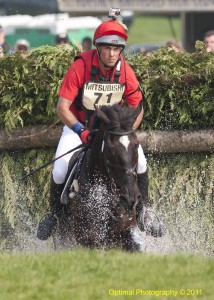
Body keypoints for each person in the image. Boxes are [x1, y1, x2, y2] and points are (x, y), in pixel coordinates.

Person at [37, 17, 163, 240]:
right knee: (59, 169)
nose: (112, 54)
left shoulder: (125, 70)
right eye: (107, 48)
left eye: (117, 49)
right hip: (80, 126)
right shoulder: (81, 66)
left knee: (140, 161)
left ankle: (146, 211)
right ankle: (54, 214)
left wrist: (125, 130)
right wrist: (80, 131)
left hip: (114, 132)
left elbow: (138, 106)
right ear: (97, 47)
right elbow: (62, 107)